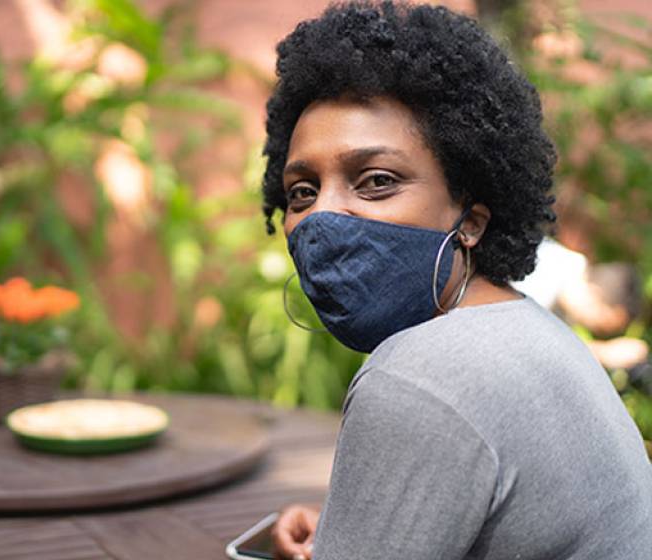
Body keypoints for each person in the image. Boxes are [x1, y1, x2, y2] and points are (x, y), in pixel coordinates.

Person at [261, 2, 652, 559]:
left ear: (470, 218)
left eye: (375, 181)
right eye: (302, 190)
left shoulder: (420, 371)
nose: (324, 216)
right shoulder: (531, 329)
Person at [514, 237, 648, 370]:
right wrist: (603, 354)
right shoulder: (549, 269)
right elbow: (526, 346)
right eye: (601, 327)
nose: (590, 328)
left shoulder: (558, 295)